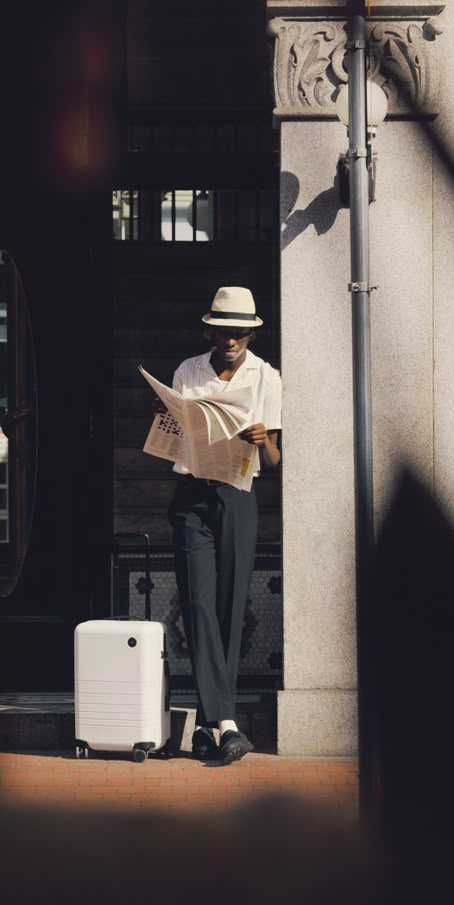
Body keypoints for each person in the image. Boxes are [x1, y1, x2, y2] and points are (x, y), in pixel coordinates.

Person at [163, 286, 282, 764]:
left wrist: (261, 440)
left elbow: (274, 459)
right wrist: (166, 424)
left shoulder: (266, 378)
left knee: (230, 606)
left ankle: (207, 729)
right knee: (197, 605)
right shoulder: (188, 371)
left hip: (238, 495)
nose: (230, 337)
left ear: (250, 332)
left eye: (239, 331)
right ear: (209, 328)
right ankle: (227, 723)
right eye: (222, 329)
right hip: (191, 495)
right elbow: (174, 439)